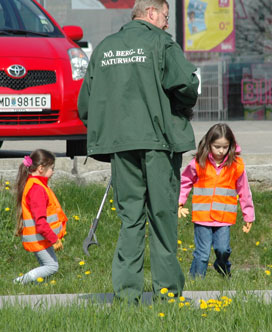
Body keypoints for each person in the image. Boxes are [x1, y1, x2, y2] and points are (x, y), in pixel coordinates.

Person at [77, 0, 199, 303]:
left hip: (121, 146)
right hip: (158, 142)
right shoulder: (162, 44)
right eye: (166, 17)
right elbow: (187, 85)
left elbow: (85, 105)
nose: (168, 24)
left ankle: (127, 295)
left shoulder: (105, 48)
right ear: (152, 13)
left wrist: (112, 132)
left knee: (130, 217)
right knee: (162, 216)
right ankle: (168, 293)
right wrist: (180, 107)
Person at [177, 123, 255, 278]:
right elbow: (185, 182)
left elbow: (244, 191)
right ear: (208, 144)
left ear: (231, 146)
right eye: (217, 146)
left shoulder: (236, 165)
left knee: (222, 249)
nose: (221, 151)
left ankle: (222, 266)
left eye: (225, 147)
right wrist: (179, 202)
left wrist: (248, 215)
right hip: (202, 217)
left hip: (224, 218)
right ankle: (196, 281)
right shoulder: (199, 163)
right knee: (203, 253)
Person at [13, 149, 65, 284]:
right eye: (51, 169)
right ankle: (19, 282)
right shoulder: (37, 189)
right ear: (41, 168)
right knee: (52, 266)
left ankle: (34, 285)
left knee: (46, 265)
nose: (53, 172)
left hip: (42, 237)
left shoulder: (36, 184)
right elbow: (40, 221)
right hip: (41, 237)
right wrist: (54, 239)